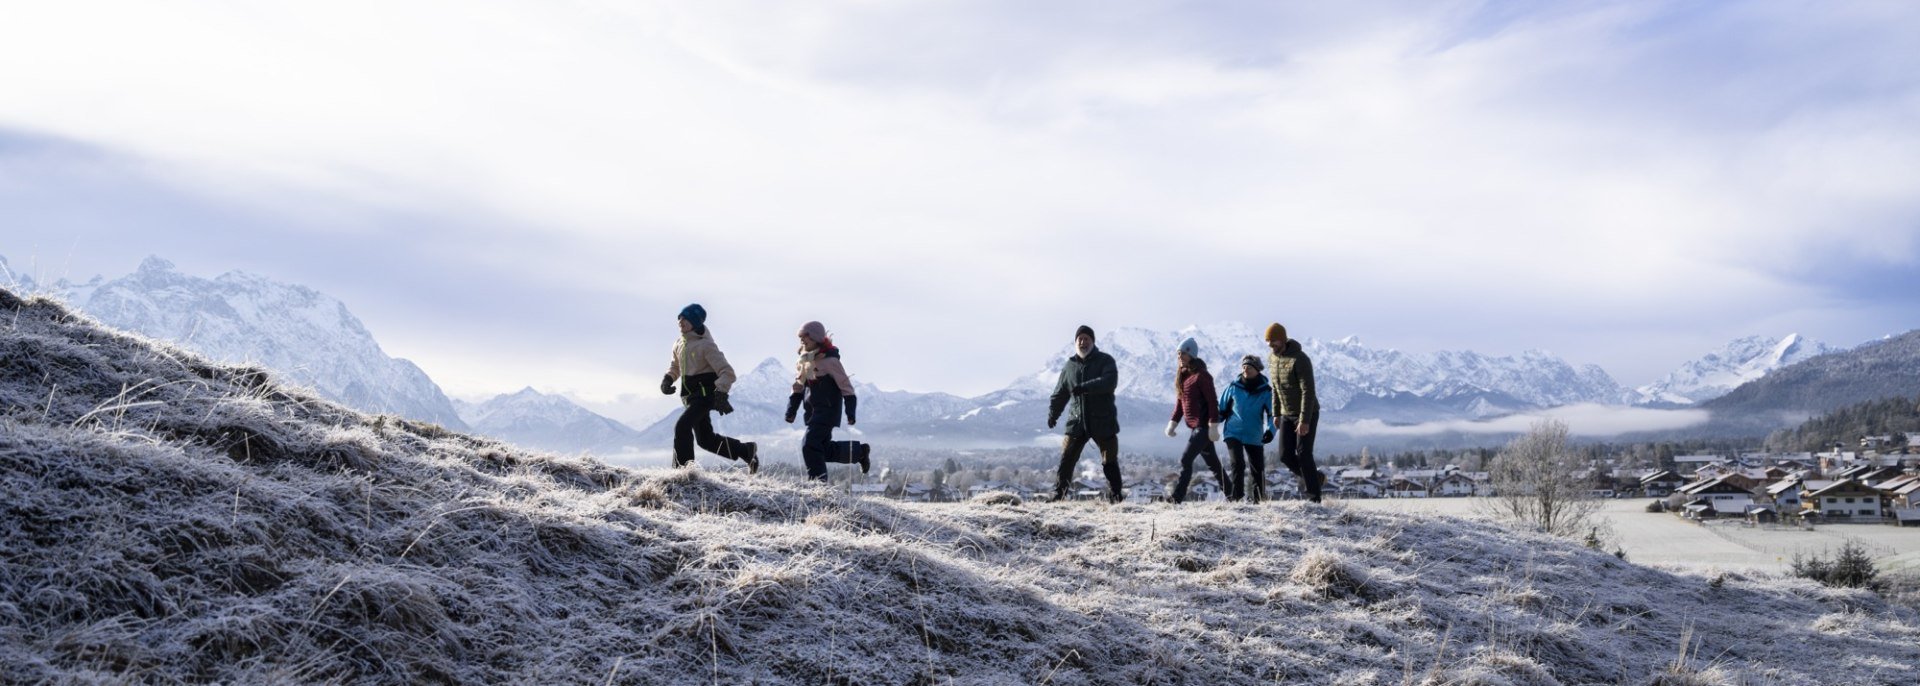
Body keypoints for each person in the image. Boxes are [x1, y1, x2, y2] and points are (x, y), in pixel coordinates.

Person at [661, 304, 758, 472]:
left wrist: (721, 392)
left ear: (696, 322)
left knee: (682, 426)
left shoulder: (706, 345)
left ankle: (683, 472)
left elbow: (727, 372)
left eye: (686, 318)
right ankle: (745, 450)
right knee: (705, 439)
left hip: (705, 395)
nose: (681, 321)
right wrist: (667, 380)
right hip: (690, 398)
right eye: (680, 317)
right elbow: (675, 367)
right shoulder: (678, 344)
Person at [1046, 325, 1123, 503]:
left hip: (1102, 420)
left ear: (1093, 341)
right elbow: (1060, 393)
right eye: (1079, 339)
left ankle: (1116, 497)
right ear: (1075, 343)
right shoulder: (1069, 366)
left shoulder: (1105, 360)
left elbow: (1109, 382)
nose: (1083, 342)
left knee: (1109, 461)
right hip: (1076, 422)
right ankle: (1059, 496)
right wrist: (1053, 414)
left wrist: (1086, 387)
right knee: (1066, 460)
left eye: (1086, 338)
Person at [785, 321, 870, 481]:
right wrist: (791, 410)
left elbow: (846, 387)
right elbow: (798, 388)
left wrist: (850, 412)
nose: (802, 340)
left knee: (809, 444)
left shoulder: (831, 361)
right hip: (812, 413)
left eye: (806, 337)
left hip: (828, 412)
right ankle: (859, 452)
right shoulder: (804, 362)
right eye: (800, 337)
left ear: (816, 338)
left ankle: (818, 483)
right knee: (821, 449)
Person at [1265, 323, 1325, 502]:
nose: (1271, 345)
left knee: (1304, 453)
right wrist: (1276, 413)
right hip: (1285, 413)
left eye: (1273, 341)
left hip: (1307, 413)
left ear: (1282, 339)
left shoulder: (1300, 359)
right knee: (1285, 455)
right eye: (1268, 342)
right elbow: (1275, 388)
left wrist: (1304, 420)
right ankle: (1315, 478)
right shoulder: (1272, 359)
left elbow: (1308, 391)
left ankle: (1314, 497)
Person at [1167, 338, 1226, 504]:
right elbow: (1180, 405)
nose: (1180, 356)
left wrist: (1213, 425)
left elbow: (1212, 401)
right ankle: (1234, 495)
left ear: (1191, 354)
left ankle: (1177, 497)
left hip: (1204, 427)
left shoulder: (1202, 376)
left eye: (1183, 353)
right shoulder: (1184, 378)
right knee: (1214, 465)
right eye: (1178, 354)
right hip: (1195, 428)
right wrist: (1173, 423)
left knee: (1185, 460)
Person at [1219, 354, 1276, 503]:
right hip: (1233, 431)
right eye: (1244, 367)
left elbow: (1273, 414)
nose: (1246, 370)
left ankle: (1258, 499)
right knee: (1237, 463)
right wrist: (1210, 424)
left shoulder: (1266, 391)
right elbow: (1221, 409)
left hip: (1254, 434)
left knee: (1257, 467)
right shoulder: (1233, 387)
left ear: (1257, 370)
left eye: (1249, 367)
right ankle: (1236, 498)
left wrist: (1271, 430)